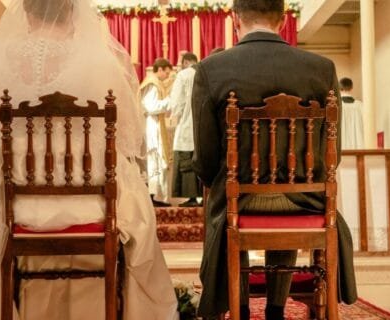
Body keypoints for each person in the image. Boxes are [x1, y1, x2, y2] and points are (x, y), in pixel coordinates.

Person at [0, 0, 177, 319]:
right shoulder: (97, 60)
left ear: (24, 11)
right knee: (131, 197)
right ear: (72, 10)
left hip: (15, 207)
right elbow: (129, 136)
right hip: (92, 203)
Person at [190, 0, 358, 319]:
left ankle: (237, 306)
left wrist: (228, 180)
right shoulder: (322, 69)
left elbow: (206, 157)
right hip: (305, 199)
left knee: (228, 202)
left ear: (235, 19)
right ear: (282, 20)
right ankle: (276, 308)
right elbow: (332, 152)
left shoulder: (212, 69)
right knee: (289, 187)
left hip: (239, 199)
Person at [140, 58, 176, 206]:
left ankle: (158, 196)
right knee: (155, 160)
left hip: (154, 124)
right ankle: (154, 196)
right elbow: (151, 106)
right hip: (151, 125)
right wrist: (170, 100)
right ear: (160, 70)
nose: (167, 76)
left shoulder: (155, 83)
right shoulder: (152, 84)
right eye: (166, 73)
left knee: (158, 161)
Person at [169, 52, 202, 207]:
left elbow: (176, 104)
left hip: (187, 124)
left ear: (186, 62)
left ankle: (192, 197)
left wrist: (176, 114)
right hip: (203, 126)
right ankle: (203, 195)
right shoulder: (205, 72)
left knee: (186, 159)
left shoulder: (183, 75)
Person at [339, 77, 365, 150]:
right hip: (359, 146)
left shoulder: (336, 106)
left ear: (339, 88)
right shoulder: (360, 105)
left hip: (341, 145)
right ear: (352, 88)